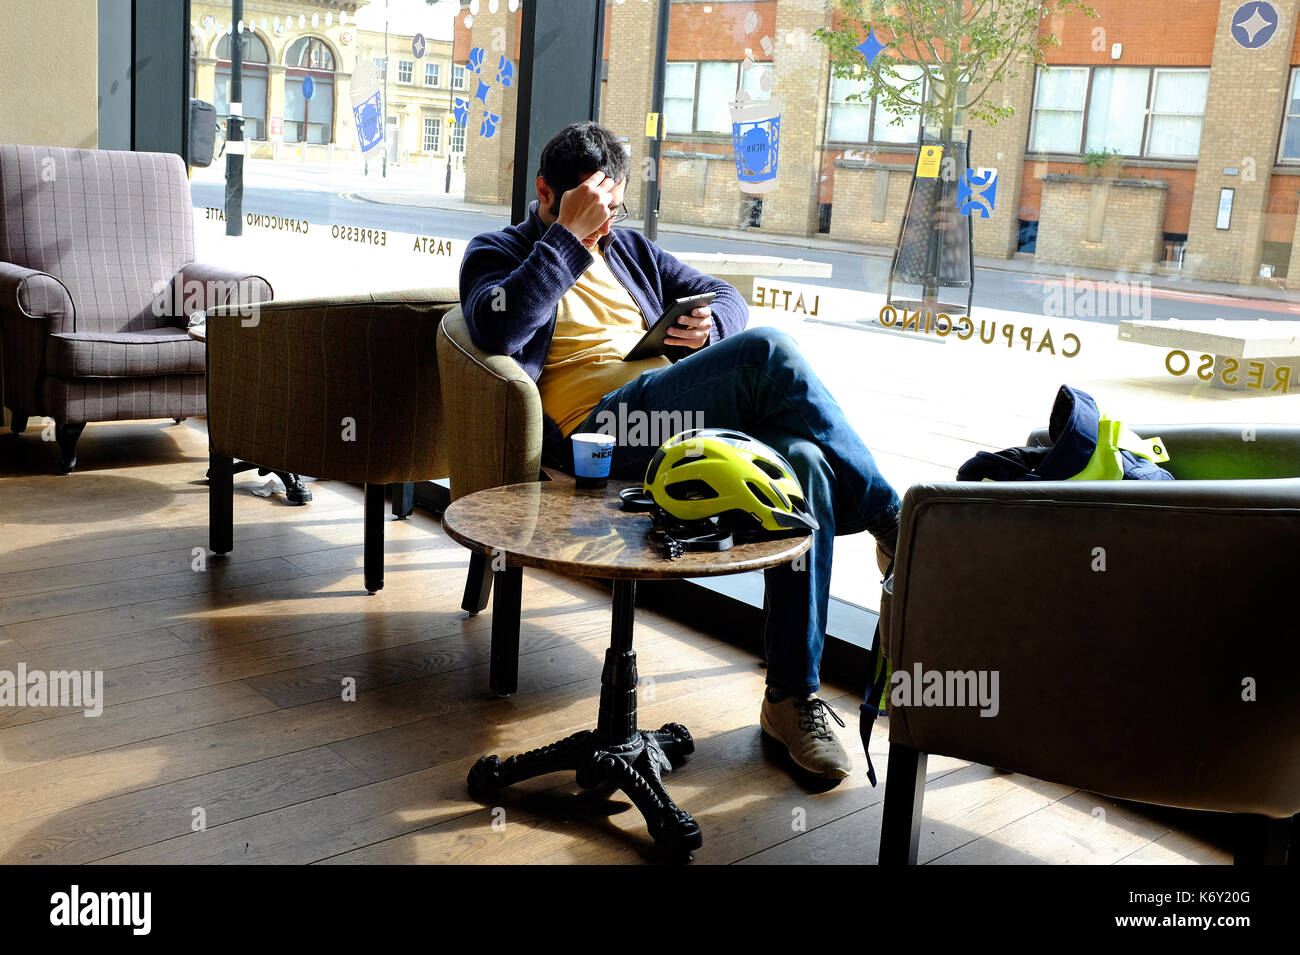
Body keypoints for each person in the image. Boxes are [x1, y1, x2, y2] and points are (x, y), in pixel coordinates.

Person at [459, 121, 901, 782]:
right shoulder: (497, 252)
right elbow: (496, 322)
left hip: (669, 419)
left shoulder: (631, 251)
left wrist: (707, 325)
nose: (602, 227)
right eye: (586, 208)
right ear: (545, 193)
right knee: (770, 352)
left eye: (610, 210)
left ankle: (790, 697)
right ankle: (899, 523)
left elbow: (728, 297)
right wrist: (566, 238)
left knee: (803, 461)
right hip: (602, 438)